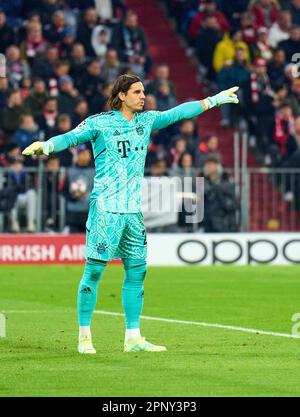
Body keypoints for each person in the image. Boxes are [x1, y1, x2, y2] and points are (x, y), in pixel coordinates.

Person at [22, 74, 239, 354]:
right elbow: (71, 137)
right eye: (136, 92)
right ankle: (84, 336)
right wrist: (48, 146)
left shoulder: (146, 122)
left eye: (143, 91)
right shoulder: (99, 123)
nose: (142, 96)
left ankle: (133, 337)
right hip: (106, 210)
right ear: (121, 95)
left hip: (133, 213)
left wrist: (213, 100)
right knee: (95, 271)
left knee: (137, 271)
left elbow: (177, 113)